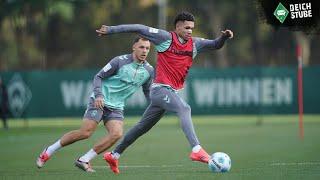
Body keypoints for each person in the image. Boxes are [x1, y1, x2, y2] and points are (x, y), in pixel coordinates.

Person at [96, 11, 234, 174]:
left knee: (142, 127)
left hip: (168, 92)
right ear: (177, 26)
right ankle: (196, 149)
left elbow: (215, 45)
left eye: (192, 28)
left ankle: (114, 155)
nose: (190, 31)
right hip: (160, 89)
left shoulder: (195, 44)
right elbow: (139, 28)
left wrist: (224, 37)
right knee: (185, 108)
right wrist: (111, 30)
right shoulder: (166, 38)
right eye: (187, 27)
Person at [36, 37, 154, 172]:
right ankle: (48, 151)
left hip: (116, 106)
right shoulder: (119, 61)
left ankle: (84, 159)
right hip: (100, 100)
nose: (144, 51)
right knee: (85, 133)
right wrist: (98, 95)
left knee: (116, 134)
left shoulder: (149, 71)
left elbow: (147, 91)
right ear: (134, 47)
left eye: (147, 48)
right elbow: (98, 76)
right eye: (141, 47)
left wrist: (154, 104)